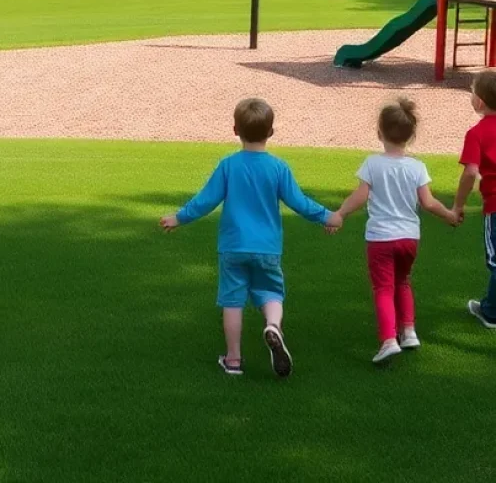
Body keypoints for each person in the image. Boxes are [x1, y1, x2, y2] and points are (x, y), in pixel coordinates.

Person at [161, 98, 340, 378]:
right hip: (267, 248)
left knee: (232, 302)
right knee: (271, 293)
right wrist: (327, 216)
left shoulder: (228, 166)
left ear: (235, 130)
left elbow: (206, 200)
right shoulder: (278, 167)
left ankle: (233, 359)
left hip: (233, 248)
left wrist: (179, 217)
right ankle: (272, 325)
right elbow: (299, 201)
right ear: (271, 132)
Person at [334, 98, 458, 364]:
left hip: (380, 238)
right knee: (403, 281)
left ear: (379, 133)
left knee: (383, 288)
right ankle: (409, 331)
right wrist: (448, 214)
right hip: (409, 237)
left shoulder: (372, 164)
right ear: (412, 136)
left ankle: (389, 339)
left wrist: (340, 213)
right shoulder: (417, 167)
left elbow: (360, 196)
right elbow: (428, 202)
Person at [453, 70, 496, 329]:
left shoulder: (477, 133)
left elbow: (470, 172)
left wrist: (458, 205)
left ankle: (490, 312)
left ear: (479, 102)